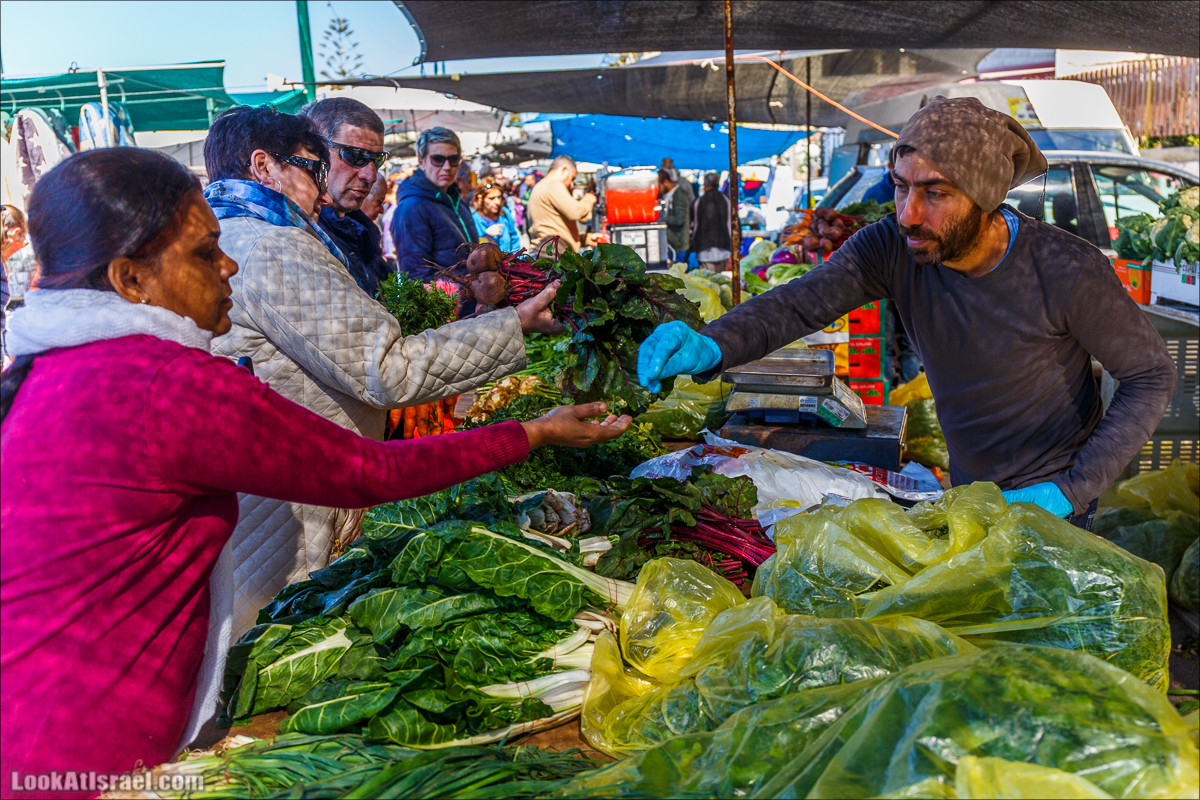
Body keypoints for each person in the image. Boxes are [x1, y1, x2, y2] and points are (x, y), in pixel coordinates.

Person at [0, 147, 631, 799]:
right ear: (131, 278)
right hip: (82, 755)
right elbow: (366, 472)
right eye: (205, 253)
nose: (229, 265)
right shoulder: (167, 385)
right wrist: (533, 432)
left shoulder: (49, 372)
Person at [638, 96, 1176, 530]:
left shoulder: (1066, 269)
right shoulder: (890, 248)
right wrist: (712, 342)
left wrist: (1071, 489)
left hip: (1054, 503)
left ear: (985, 195)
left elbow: (1150, 375)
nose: (909, 214)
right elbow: (799, 303)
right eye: (900, 186)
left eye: (934, 193)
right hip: (968, 491)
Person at [201, 106, 565, 640]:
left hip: (267, 495)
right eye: (313, 168)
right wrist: (514, 325)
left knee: (264, 641)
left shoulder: (230, 235)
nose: (323, 188)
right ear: (264, 167)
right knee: (286, 642)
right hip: (296, 511)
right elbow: (386, 369)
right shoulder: (273, 245)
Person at [301, 98, 392, 296]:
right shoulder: (300, 232)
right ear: (313, 152)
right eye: (355, 156)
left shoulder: (361, 231)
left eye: (377, 160)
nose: (370, 175)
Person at [390, 126, 477, 284]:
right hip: (449, 299)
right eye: (438, 159)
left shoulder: (457, 201)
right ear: (421, 162)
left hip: (472, 296)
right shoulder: (412, 207)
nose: (447, 167)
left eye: (453, 160)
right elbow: (416, 277)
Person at [527, 155, 596, 255]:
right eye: (572, 178)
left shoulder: (543, 185)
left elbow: (557, 228)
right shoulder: (552, 184)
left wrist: (586, 239)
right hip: (551, 253)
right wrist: (589, 199)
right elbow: (575, 212)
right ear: (564, 170)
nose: (572, 185)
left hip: (549, 250)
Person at [690, 171, 731, 272]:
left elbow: (693, 226)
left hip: (704, 248)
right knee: (722, 279)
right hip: (723, 247)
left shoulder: (698, 202)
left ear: (705, 184)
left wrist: (692, 244)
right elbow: (732, 223)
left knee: (707, 279)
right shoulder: (726, 200)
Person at [471, 179, 521, 252]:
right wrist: (485, 233)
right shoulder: (473, 219)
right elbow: (470, 244)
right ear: (480, 198)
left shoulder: (505, 213)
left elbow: (514, 239)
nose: (497, 202)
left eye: (499, 197)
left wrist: (517, 257)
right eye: (491, 198)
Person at [658, 169, 691, 260]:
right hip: (669, 245)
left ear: (666, 182)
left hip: (678, 246)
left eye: (659, 186)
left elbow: (679, 219)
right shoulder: (664, 195)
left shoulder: (679, 195)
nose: (658, 189)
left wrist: (661, 218)